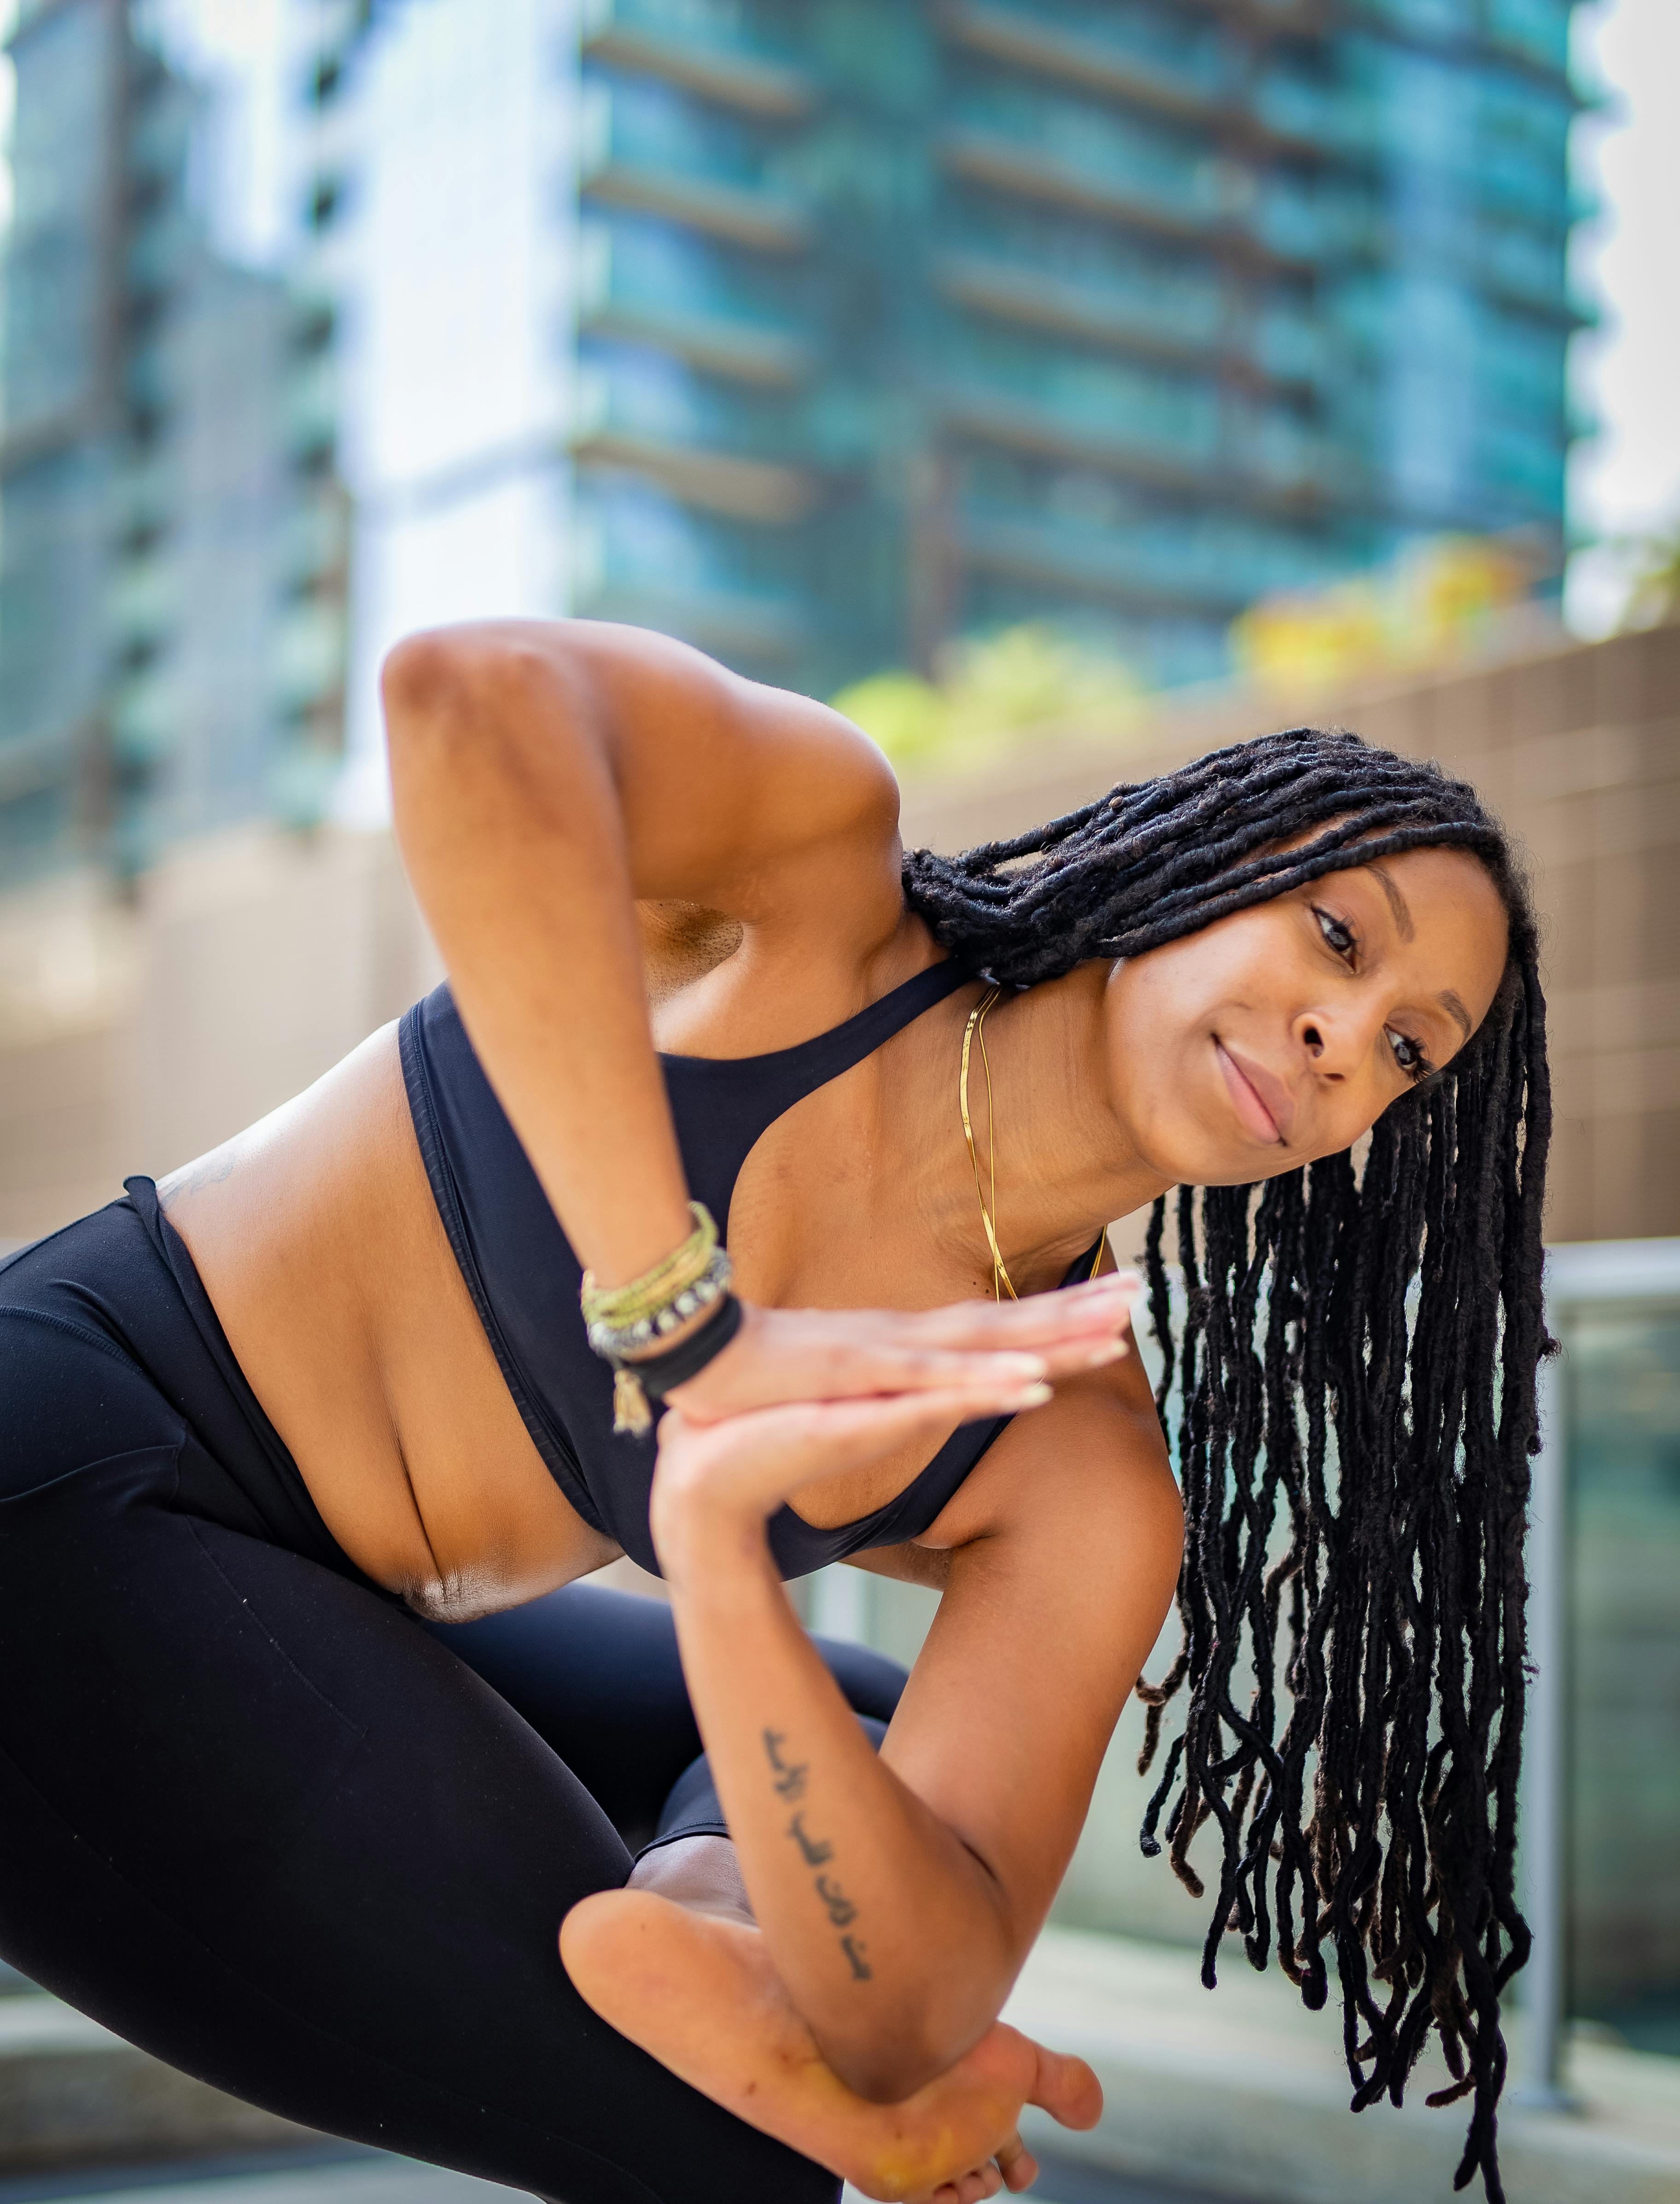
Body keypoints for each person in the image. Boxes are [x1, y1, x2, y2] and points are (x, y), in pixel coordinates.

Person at [0, 621, 1546, 2204]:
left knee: (867, 1742)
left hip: (326, 1587)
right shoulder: (811, 876)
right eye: (1340, 940)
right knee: (731, 2153)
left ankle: (719, 1922)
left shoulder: (1076, 1453)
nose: (1344, 1042)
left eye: (1409, 1052)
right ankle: (738, 1996)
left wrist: (724, 1550)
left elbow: (923, 1992)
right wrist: (681, 1321)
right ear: (1215, 852)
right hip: (67, 1456)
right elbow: (463, 699)